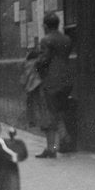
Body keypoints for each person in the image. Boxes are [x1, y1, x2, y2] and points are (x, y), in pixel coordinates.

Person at [35, 12, 73, 158]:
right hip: (66, 80)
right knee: (59, 111)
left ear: (45, 26)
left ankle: (53, 146)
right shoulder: (67, 39)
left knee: (49, 114)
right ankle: (58, 143)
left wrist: (36, 64)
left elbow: (44, 60)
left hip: (51, 81)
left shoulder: (46, 40)